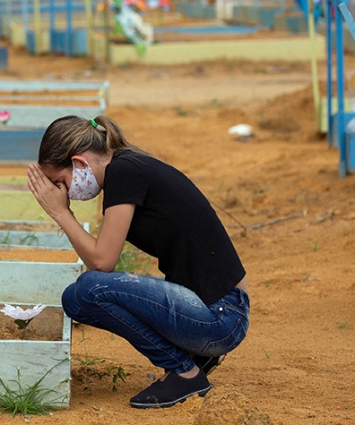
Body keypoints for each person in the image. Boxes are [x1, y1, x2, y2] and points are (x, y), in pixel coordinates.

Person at [26, 115, 249, 409]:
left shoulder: (124, 172)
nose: (63, 192)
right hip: (217, 312)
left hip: (222, 317)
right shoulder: (126, 167)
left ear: (79, 163)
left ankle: (185, 372)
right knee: (75, 298)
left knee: (91, 288)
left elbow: (102, 261)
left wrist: (61, 213)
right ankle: (195, 357)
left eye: (60, 182)